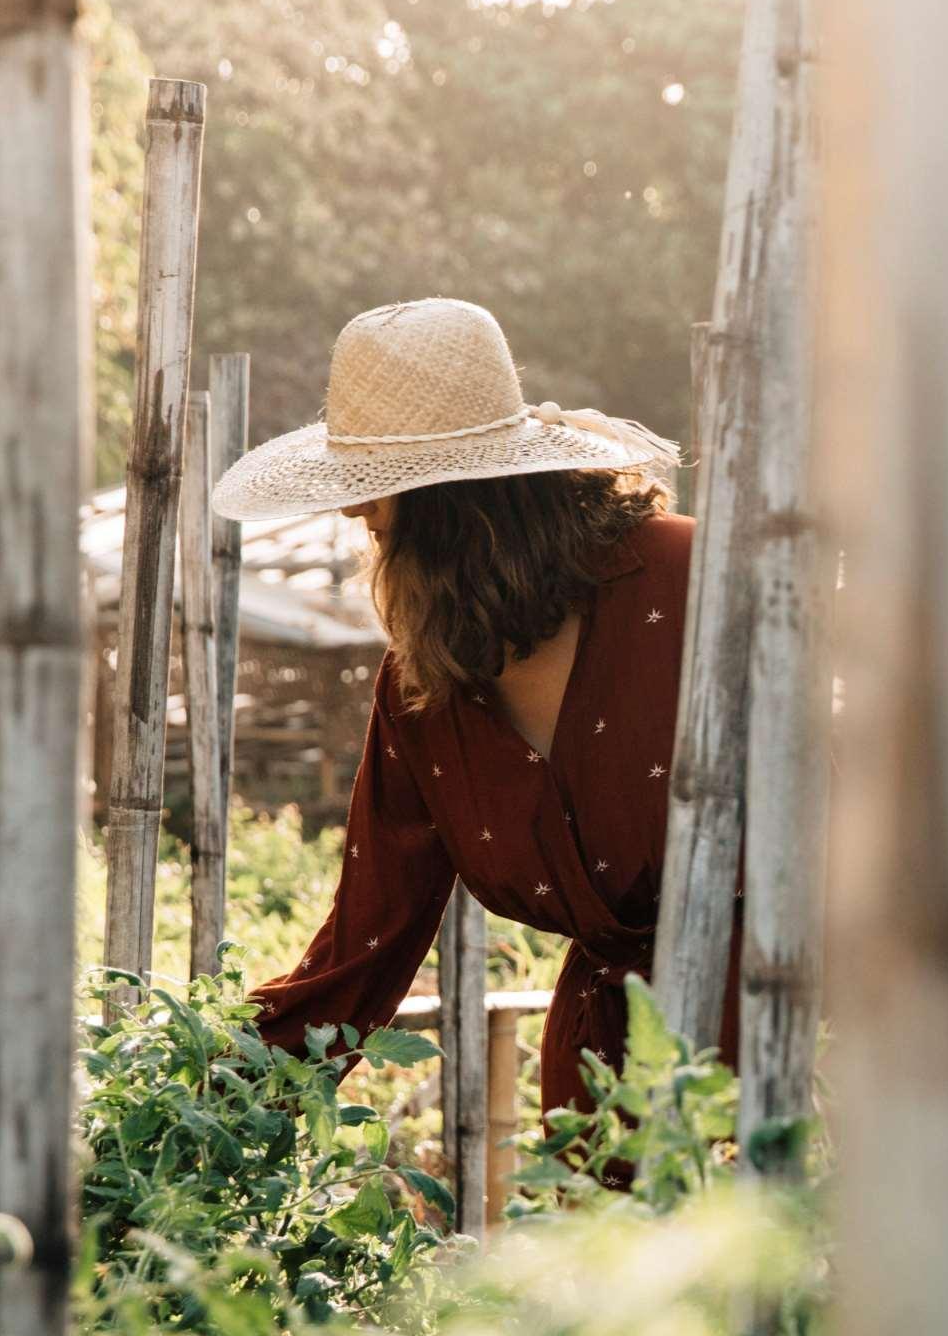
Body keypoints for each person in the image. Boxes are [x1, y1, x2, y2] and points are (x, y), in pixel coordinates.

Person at [216, 296, 726, 1132]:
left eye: (374, 491)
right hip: (599, 1101)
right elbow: (362, 948)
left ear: (454, 503)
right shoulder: (426, 687)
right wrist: (194, 1100)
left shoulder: (690, 580)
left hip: (778, 1063)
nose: (354, 513)